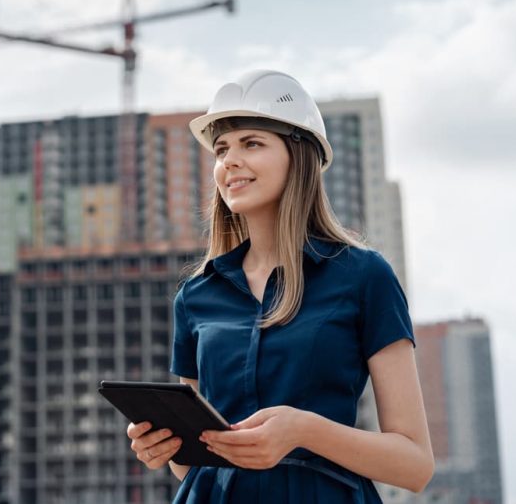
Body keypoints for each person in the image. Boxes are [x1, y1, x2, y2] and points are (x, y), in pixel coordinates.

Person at [126, 70, 433, 502]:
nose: (229, 160)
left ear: (298, 155)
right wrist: (166, 445)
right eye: (221, 149)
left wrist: (303, 430)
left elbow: (415, 465)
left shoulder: (364, 276)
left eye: (251, 143)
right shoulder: (196, 297)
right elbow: (193, 465)